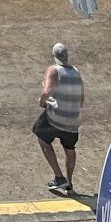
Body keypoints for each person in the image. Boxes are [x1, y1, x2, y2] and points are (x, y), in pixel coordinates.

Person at [35, 41, 84, 194]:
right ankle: (69, 183)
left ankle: (59, 177)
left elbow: (46, 91)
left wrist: (42, 103)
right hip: (73, 121)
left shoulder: (53, 70)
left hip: (55, 118)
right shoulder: (76, 71)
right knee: (70, 149)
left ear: (54, 56)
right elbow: (82, 99)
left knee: (41, 137)